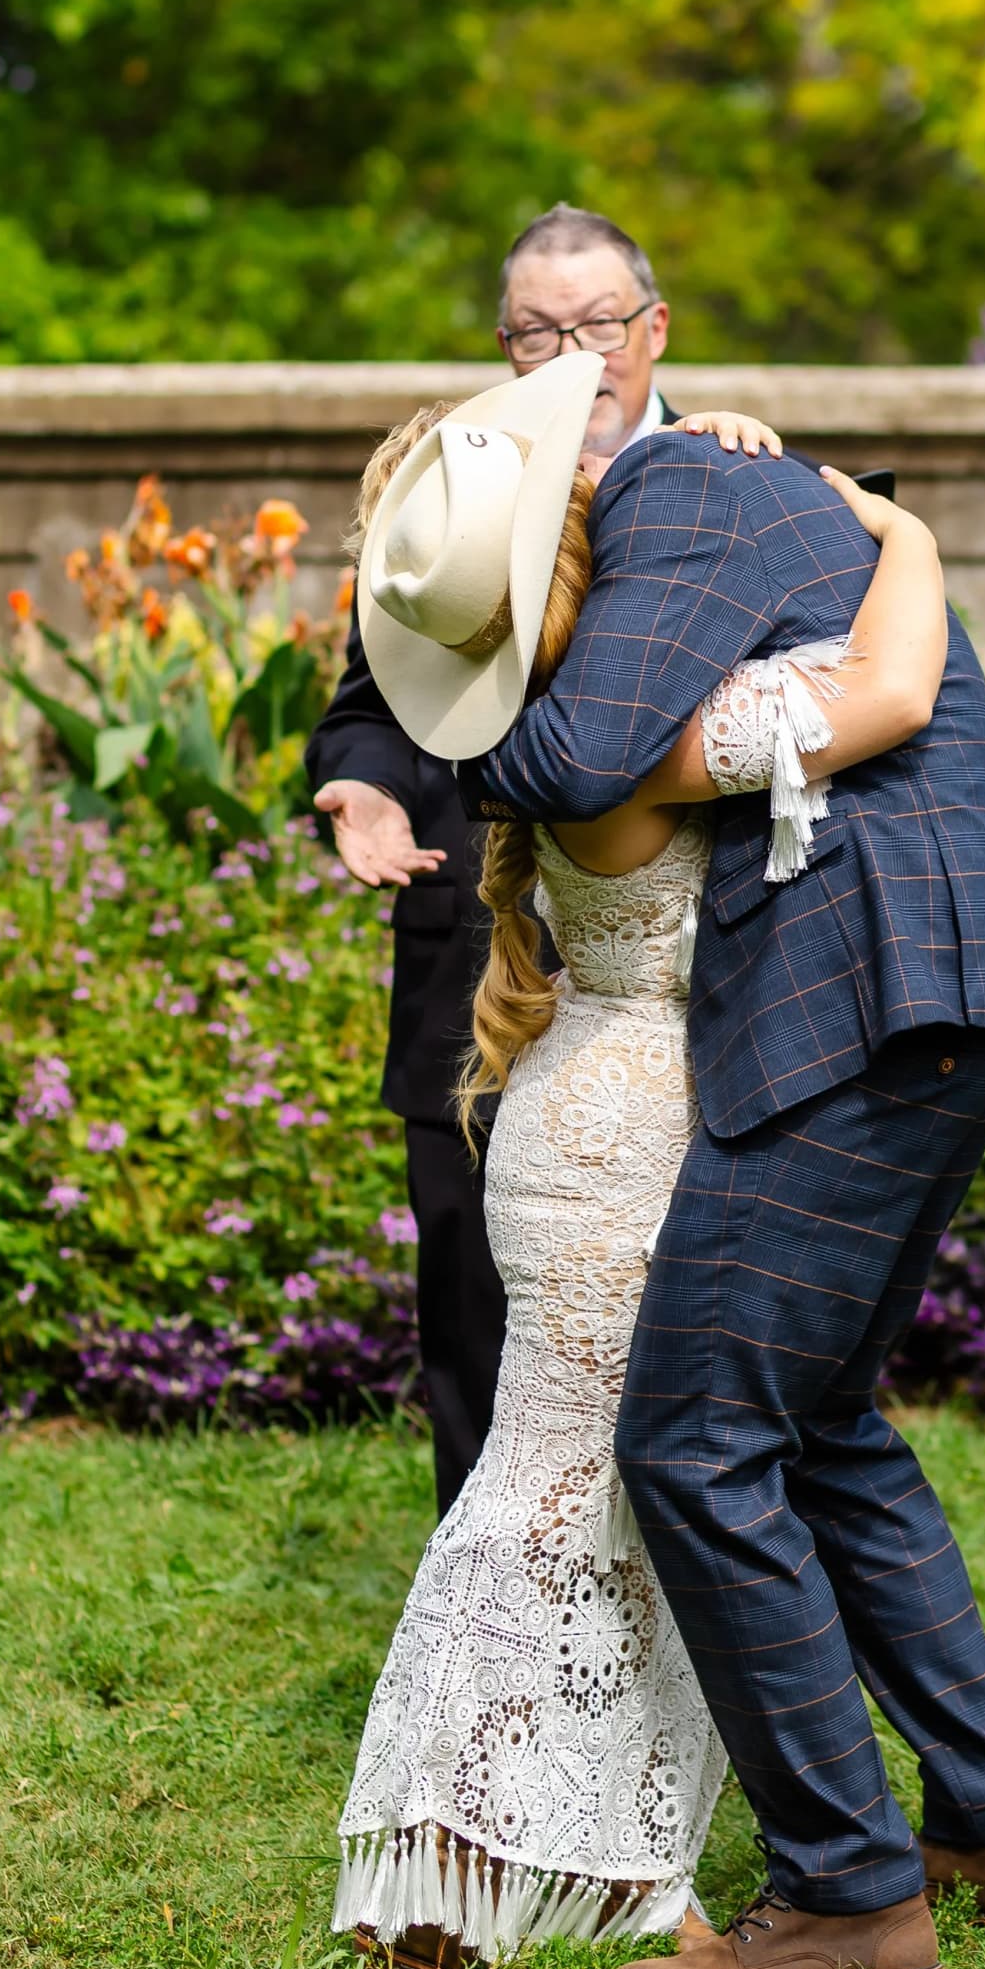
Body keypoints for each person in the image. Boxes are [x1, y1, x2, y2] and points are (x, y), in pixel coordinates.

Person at [464, 364, 985, 1969]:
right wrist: (901, 523)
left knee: (694, 1439)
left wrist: (872, 516)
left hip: (858, 1025)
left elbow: (598, 744)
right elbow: (868, 685)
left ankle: (844, 1901)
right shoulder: (731, 573)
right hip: (945, 1004)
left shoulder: (668, 521)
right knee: (821, 1428)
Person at [330, 356, 948, 1969]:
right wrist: (898, 527)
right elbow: (885, 692)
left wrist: (710, 452)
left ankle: (462, 1850)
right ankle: (589, 1863)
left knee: (538, 1488)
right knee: (618, 1501)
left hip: (564, 1117)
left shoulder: (542, 710)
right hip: (644, 1125)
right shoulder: (634, 733)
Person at [305, 205, 677, 1516]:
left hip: (683, 983)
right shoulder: (451, 484)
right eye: (535, 330)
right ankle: (477, 1616)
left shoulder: (739, 479)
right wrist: (353, 785)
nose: (569, 352)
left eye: (595, 326)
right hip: (475, 971)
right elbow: (372, 696)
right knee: (469, 1311)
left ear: (654, 332)